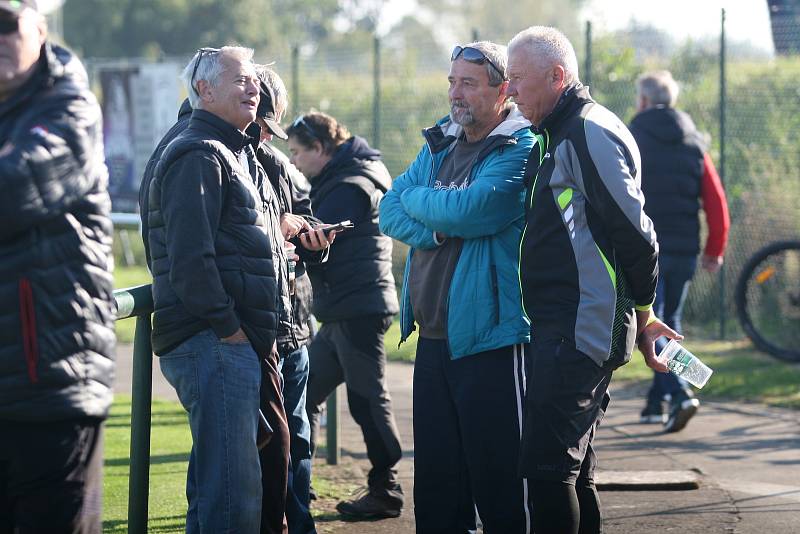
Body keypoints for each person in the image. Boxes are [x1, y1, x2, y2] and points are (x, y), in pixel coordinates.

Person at [507, 26, 681, 534]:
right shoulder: (559, 131)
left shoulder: (586, 130)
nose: (510, 90)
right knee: (571, 469)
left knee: (546, 469)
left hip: (580, 326)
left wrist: (646, 314)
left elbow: (637, 233)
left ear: (556, 76)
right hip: (567, 322)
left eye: (517, 78)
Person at [379, 41, 535, 532]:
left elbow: (478, 210)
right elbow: (389, 208)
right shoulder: (441, 143)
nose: (455, 93)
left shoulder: (521, 146)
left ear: (502, 89)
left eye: (468, 83)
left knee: (499, 481)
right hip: (433, 339)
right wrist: (438, 226)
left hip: (491, 338)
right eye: (452, 81)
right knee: (438, 484)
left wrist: (428, 207)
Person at [145, 46, 280, 533]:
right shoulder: (199, 153)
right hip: (214, 341)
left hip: (225, 341)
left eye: (254, 80)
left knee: (221, 490)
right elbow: (190, 260)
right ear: (204, 89)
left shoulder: (227, 148)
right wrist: (229, 329)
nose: (254, 87)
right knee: (231, 498)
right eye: (241, 79)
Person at [0, 0, 115, 532]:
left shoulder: (67, 106)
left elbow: (15, 185)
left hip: (48, 385)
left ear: (39, 29)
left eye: (5, 24)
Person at [286, 112, 403, 520]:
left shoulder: (351, 184)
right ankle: (297, 482)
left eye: (299, 152)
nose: (295, 161)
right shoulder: (351, 175)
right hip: (345, 308)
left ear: (320, 148)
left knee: (367, 399)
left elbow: (316, 237)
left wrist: (294, 239)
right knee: (304, 394)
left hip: (358, 307)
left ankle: (386, 490)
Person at [254, 65, 333, 534]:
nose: (267, 136)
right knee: (253, 449)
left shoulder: (278, 164)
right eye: (267, 123)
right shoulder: (204, 153)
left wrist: (315, 240)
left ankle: (298, 525)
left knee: (297, 441)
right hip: (257, 329)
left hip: (295, 324)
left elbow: (303, 218)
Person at [630, 70, 730, 432]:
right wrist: (714, 248)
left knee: (652, 326)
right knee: (669, 320)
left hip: (645, 249)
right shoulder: (693, 141)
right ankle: (657, 402)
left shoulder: (632, 136)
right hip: (685, 250)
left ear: (642, 100)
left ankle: (684, 391)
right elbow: (716, 201)